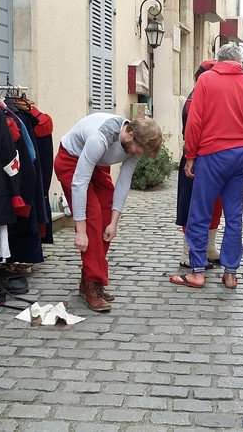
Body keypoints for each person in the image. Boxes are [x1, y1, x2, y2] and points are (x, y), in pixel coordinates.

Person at [169, 43, 243, 289]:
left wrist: (190, 155)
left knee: (199, 212)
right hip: (240, 155)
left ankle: (197, 271)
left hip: (211, 155)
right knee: (234, 216)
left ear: (218, 60)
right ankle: (230, 274)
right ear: (239, 61)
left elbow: (194, 122)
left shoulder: (206, 80)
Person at [55, 114, 162, 312]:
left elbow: (123, 182)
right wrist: (80, 229)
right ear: (130, 134)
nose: (139, 154)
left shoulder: (135, 143)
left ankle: (88, 278)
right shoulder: (100, 138)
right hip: (71, 161)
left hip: (97, 165)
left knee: (104, 218)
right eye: (139, 149)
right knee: (93, 215)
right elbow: (79, 183)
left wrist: (114, 222)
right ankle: (93, 284)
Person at [175, 60, 223, 269]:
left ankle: (209, 248)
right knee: (192, 207)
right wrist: (191, 158)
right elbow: (192, 131)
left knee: (214, 207)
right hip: (195, 157)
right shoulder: (195, 99)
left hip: (211, 157)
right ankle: (188, 253)